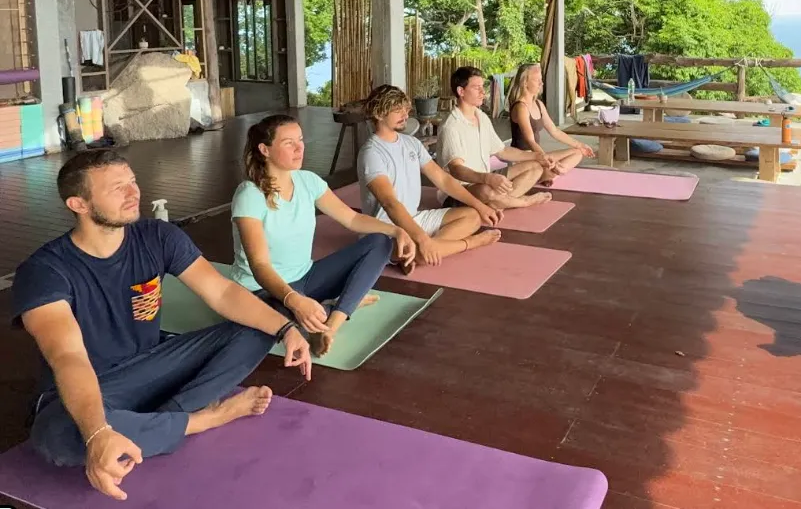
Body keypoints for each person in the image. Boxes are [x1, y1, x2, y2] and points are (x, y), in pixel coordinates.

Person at [12, 151, 312, 501]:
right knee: (59, 437)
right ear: (79, 203)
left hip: (156, 361)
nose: (133, 193)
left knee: (263, 321)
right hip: (94, 385)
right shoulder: (44, 272)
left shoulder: (157, 236)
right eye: (117, 188)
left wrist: (286, 329)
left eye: (133, 181)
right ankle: (201, 419)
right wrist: (96, 433)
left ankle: (151, 424)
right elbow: (67, 356)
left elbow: (222, 292)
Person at [230, 115, 418, 357]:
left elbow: (352, 219)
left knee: (380, 241)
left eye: (300, 140)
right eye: (289, 143)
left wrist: (397, 230)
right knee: (263, 329)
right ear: (265, 150)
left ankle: (331, 323)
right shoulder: (250, 194)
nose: (299, 148)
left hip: (306, 277)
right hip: (260, 290)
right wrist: (295, 301)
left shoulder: (308, 182)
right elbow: (259, 265)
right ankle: (340, 303)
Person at [358, 84, 503, 273]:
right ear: (378, 114)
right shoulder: (371, 153)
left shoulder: (411, 143)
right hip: (384, 230)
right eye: (397, 110)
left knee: (473, 216)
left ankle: (424, 251)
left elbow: (443, 179)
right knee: (417, 249)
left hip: (414, 218)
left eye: (405, 109)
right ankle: (469, 243)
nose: (404, 114)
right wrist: (423, 238)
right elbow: (390, 204)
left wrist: (480, 205)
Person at [438, 66, 553, 210]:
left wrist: (537, 156)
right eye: (476, 88)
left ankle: (499, 202)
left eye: (482, 87)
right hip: (459, 191)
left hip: (485, 178)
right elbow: (456, 170)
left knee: (535, 167)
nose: (482, 92)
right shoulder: (451, 125)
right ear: (461, 91)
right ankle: (523, 201)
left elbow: (502, 151)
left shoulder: (482, 117)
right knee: (486, 191)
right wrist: (487, 179)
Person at [507, 62, 594, 184]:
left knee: (578, 153)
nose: (541, 83)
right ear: (525, 82)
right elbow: (530, 141)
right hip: (522, 159)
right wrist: (546, 160)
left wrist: (580, 145)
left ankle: (550, 174)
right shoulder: (521, 107)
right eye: (537, 80)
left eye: (541, 79)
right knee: (552, 166)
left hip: (538, 156)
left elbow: (555, 131)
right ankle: (548, 174)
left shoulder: (538, 104)